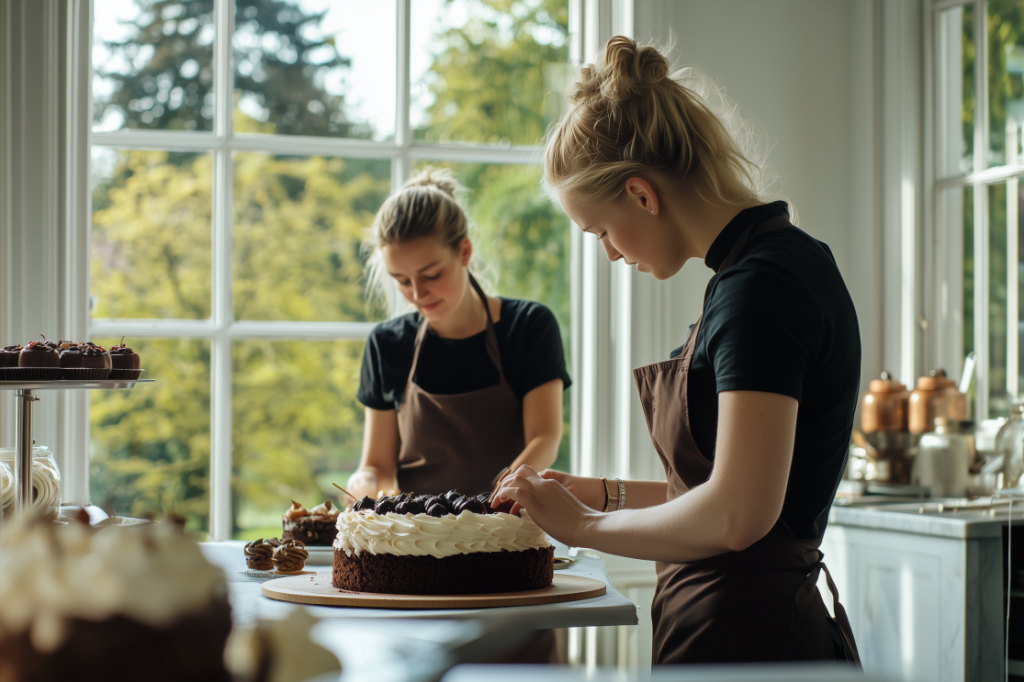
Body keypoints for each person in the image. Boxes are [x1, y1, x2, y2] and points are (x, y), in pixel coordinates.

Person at [494, 37, 862, 665]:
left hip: (749, 640)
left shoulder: (760, 289)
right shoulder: (764, 269)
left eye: (601, 230)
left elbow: (738, 515)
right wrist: (595, 495)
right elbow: (715, 493)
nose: (610, 252)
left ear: (641, 193)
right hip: (731, 623)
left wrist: (581, 528)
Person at [347, 169, 571, 500]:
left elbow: (545, 438)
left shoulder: (528, 326)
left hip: (503, 526)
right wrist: (363, 482)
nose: (418, 293)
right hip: (415, 538)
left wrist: (496, 499)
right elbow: (378, 466)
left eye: (431, 275)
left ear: (464, 252)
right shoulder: (386, 344)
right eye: (402, 281)